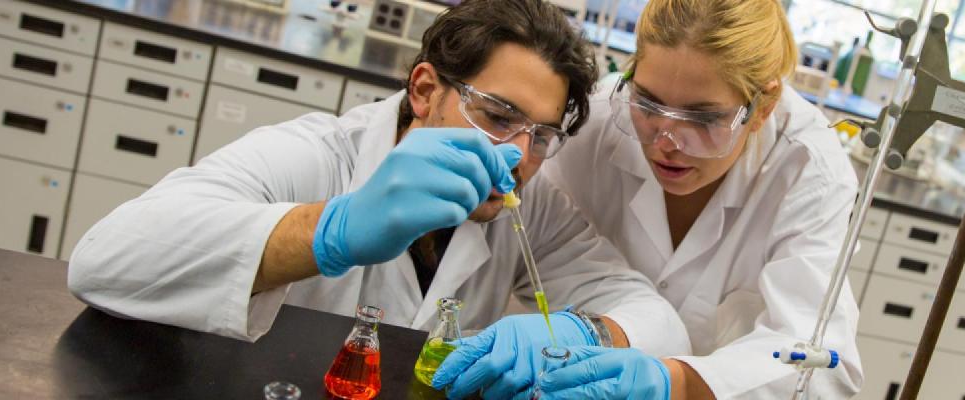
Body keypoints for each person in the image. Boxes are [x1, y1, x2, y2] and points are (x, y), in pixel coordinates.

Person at [66, 0, 690, 379]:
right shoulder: (318, 156)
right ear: (424, 90)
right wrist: (329, 231)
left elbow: (658, 320)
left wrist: (588, 334)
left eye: (543, 135)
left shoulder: (529, 206)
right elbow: (106, 259)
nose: (519, 156)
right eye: (498, 116)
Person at [435, 0, 865, 398]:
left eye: (703, 118)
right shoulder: (595, 122)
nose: (666, 142)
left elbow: (824, 366)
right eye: (649, 104)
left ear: (763, 107)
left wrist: (673, 383)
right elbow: (522, 237)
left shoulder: (808, 169)